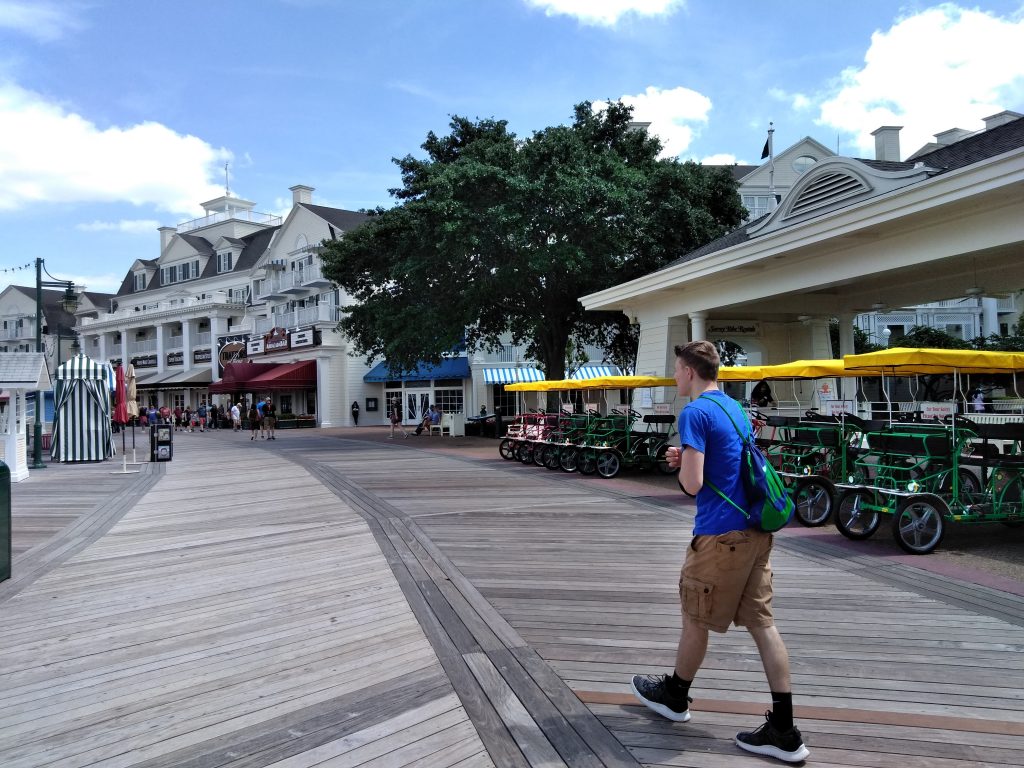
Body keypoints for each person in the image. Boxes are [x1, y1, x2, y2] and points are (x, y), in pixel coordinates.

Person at [630, 341, 809, 764]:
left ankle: (675, 696)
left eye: (677, 369)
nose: (675, 376)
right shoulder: (734, 408)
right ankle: (784, 728)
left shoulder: (693, 412)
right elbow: (727, 464)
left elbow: (693, 485)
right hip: (755, 532)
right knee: (763, 624)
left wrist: (681, 467)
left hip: (719, 538)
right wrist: (688, 458)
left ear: (691, 371)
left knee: (696, 617)